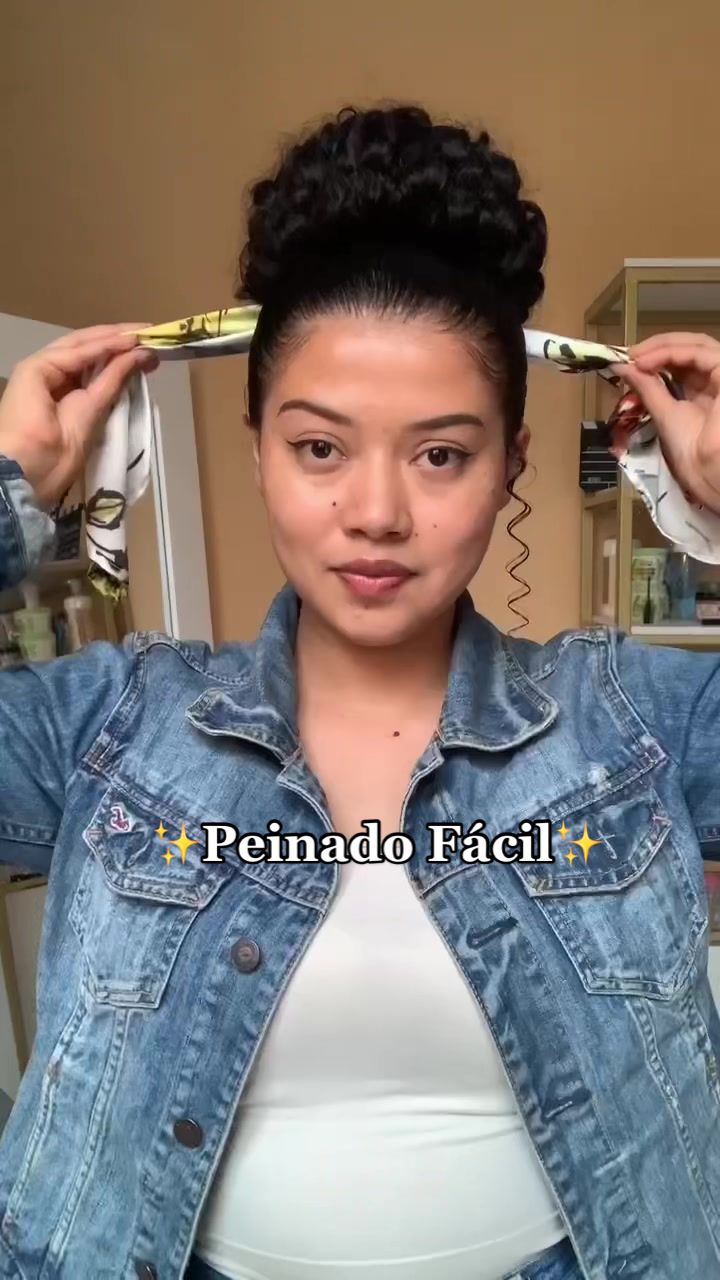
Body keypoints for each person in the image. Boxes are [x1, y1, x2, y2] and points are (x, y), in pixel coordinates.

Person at [0, 104, 719, 1280]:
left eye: (441, 453)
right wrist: (10, 489)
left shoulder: (635, 724)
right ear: (257, 449)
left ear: (511, 465)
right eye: (320, 447)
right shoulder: (108, 728)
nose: (376, 512)